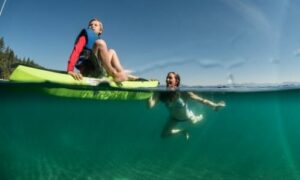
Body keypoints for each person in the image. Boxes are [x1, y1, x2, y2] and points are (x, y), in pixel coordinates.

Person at [148, 72, 226, 140]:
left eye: (170, 78)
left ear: (177, 80)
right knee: (164, 135)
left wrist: (214, 105)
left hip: (187, 117)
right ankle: (183, 131)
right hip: (173, 118)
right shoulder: (162, 93)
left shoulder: (184, 92)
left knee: (195, 122)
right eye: (167, 78)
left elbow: (201, 100)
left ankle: (200, 117)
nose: (168, 80)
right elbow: (150, 105)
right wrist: (152, 89)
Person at [67, 18, 134, 82]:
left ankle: (121, 73)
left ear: (100, 31)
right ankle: (114, 74)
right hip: (88, 69)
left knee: (112, 51)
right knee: (100, 43)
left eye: (95, 25)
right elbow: (76, 51)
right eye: (90, 25)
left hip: (99, 69)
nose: (92, 26)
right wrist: (70, 70)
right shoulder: (85, 37)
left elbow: (105, 60)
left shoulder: (97, 41)